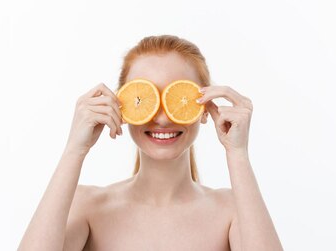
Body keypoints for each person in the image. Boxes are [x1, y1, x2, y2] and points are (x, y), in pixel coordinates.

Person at [18, 35, 283, 250]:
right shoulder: (87, 205)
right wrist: (74, 150)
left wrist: (237, 153)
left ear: (205, 108)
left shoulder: (233, 211)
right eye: (145, 98)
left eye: (177, 98)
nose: (162, 118)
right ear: (121, 106)